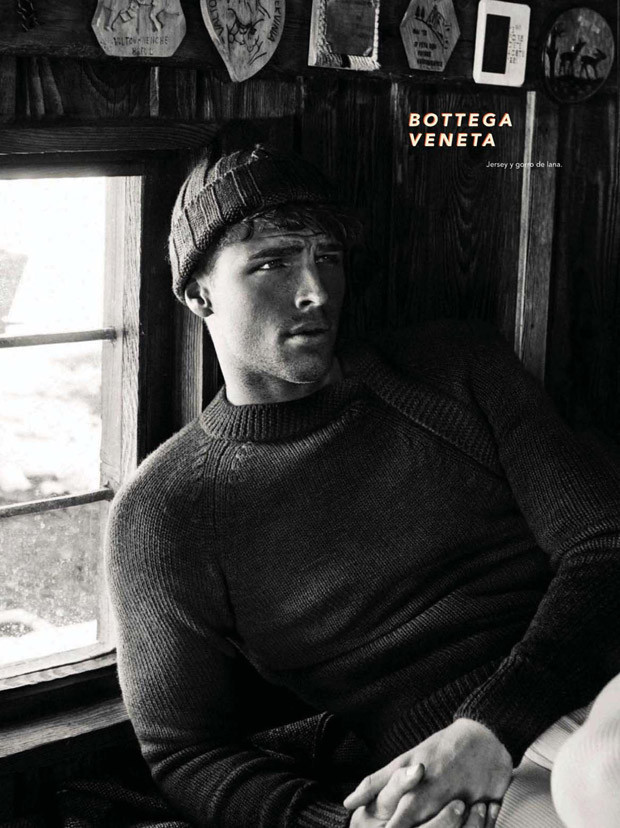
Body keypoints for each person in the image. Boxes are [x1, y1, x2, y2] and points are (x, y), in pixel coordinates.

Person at [105, 141, 620, 828]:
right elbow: (185, 751)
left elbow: (606, 545)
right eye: (273, 262)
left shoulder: (456, 369)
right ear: (199, 292)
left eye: (329, 257)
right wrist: (341, 825)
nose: (316, 291)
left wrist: (491, 725)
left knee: (600, 780)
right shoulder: (166, 511)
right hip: (457, 781)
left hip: (595, 684)